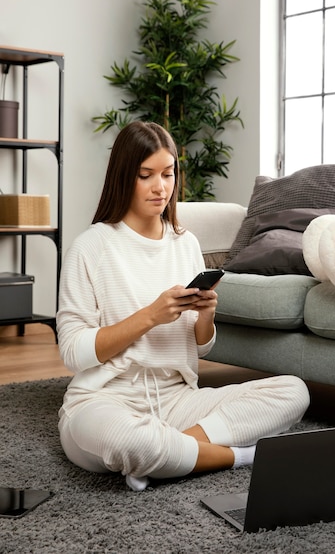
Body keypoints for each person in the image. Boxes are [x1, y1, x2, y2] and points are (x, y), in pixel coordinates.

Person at [57, 121, 310, 491]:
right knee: (127, 440)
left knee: (293, 392)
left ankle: (170, 453)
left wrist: (205, 315)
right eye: (146, 175)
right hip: (105, 400)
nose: (160, 187)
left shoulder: (185, 243)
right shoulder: (91, 247)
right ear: (124, 177)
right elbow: (73, 353)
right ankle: (239, 456)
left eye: (168, 173)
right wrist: (150, 316)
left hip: (177, 400)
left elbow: (201, 345)